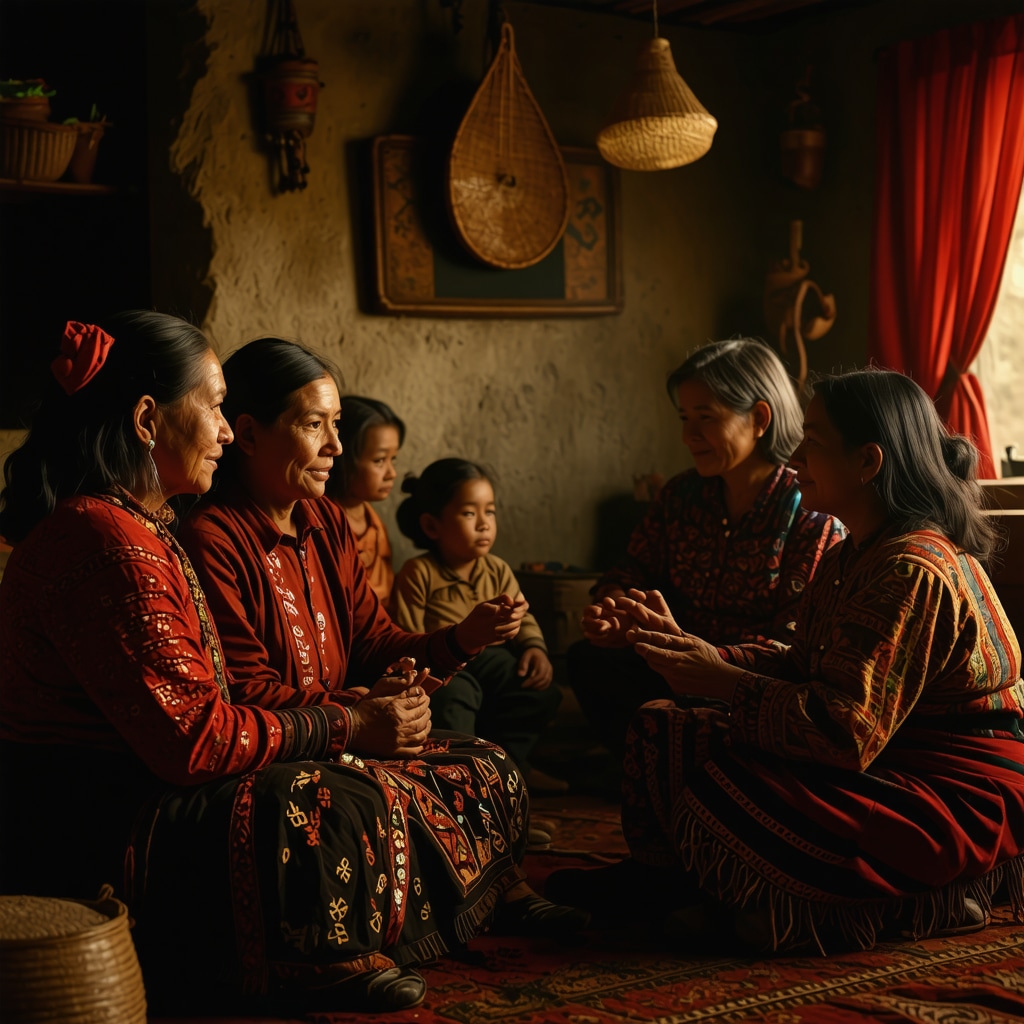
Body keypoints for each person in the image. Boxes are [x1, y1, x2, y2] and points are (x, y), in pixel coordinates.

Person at [0, 315, 570, 1018]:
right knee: (329, 800)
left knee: (467, 759)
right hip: (99, 813)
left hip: (158, 778)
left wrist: (409, 678)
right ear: (149, 418)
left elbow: (340, 654)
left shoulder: (147, 528)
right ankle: (317, 956)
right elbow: (197, 739)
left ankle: (394, 924)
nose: (226, 431)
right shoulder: (114, 542)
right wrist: (349, 720)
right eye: (214, 408)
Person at [547, 368, 1024, 953]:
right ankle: (669, 885)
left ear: (868, 462)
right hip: (886, 756)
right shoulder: (856, 550)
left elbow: (844, 733)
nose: (795, 457)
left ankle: (915, 902)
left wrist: (722, 680)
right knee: (666, 727)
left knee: (725, 788)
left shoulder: (910, 567)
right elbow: (803, 660)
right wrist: (697, 652)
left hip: (951, 787)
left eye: (814, 442)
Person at [176, 339, 588, 963]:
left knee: (486, 763)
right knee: (356, 801)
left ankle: (503, 891)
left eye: (336, 425)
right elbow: (246, 690)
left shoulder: (326, 523)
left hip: (351, 724)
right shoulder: (214, 538)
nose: (335, 447)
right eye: (314, 425)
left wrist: (460, 639)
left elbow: (373, 640)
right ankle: (352, 947)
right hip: (287, 741)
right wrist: (360, 713)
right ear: (249, 433)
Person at [569, 338, 844, 760]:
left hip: (740, 678)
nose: (687, 436)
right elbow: (632, 569)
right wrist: (615, 609)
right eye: (683, 418)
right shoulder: (680, 495)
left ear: (758, 417)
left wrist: (708, 660)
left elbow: (797, 640)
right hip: (673, 665)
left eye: (705, 418)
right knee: (590, 661)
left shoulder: (809, 509)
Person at [391, 459, 568, 796]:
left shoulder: (497, 569)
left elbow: (523, 614)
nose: (484, 524)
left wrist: (534, 648)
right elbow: (407, 633)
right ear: (431, 526)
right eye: (470, 514)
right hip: (448, 667)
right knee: (456, 699)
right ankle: (465, 780)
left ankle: (512, 768)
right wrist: (422, 676)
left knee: (540, 691)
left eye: (490, 512)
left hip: (494, 660)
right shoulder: (419, 572)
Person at [325, 395, 404, 605]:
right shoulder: (324, 521)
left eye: (393, 459)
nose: (391, 473)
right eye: (379, 460)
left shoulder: (375, 523)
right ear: (344, 458)